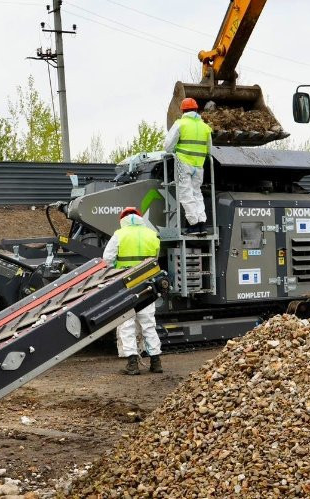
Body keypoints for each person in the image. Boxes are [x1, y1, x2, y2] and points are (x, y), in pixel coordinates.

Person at [102, 207, 163, 375]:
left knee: (126, 322)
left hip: (125, 284)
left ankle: (132, 363)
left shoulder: (119, 235)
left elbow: (107, 260)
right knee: (148, 323)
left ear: (123, 220)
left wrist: (116, 270)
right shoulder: (152, 234)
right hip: (147, 284)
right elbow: (155, 259)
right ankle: (156, 361)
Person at [164, 97, 213, 236]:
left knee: (185, 194)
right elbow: (210, 150)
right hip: (199, 165)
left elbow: (168, 146)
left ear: (183, 110)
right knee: (197, 193)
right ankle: (202, 224)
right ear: (196, 109)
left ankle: (193, 225)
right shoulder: (205, 127)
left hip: (183, 163)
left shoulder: (180, 124)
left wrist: (175, 150)